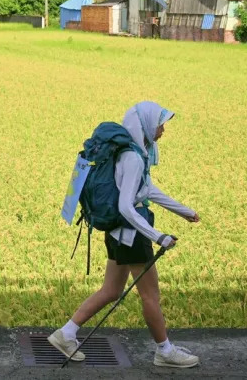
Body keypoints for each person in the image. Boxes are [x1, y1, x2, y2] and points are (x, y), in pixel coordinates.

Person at [48, 101, 201, 368]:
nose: (163, 129)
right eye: (160, 123)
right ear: (145, 125)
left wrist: (184, 211)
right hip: (131, 233)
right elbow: (126, 206)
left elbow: (148, 190)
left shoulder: (134, 154)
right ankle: (164, 351)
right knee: (150, 295)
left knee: (111, 290)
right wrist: (157, 236)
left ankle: (66, 333)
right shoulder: (131, 157)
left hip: (119, 233)